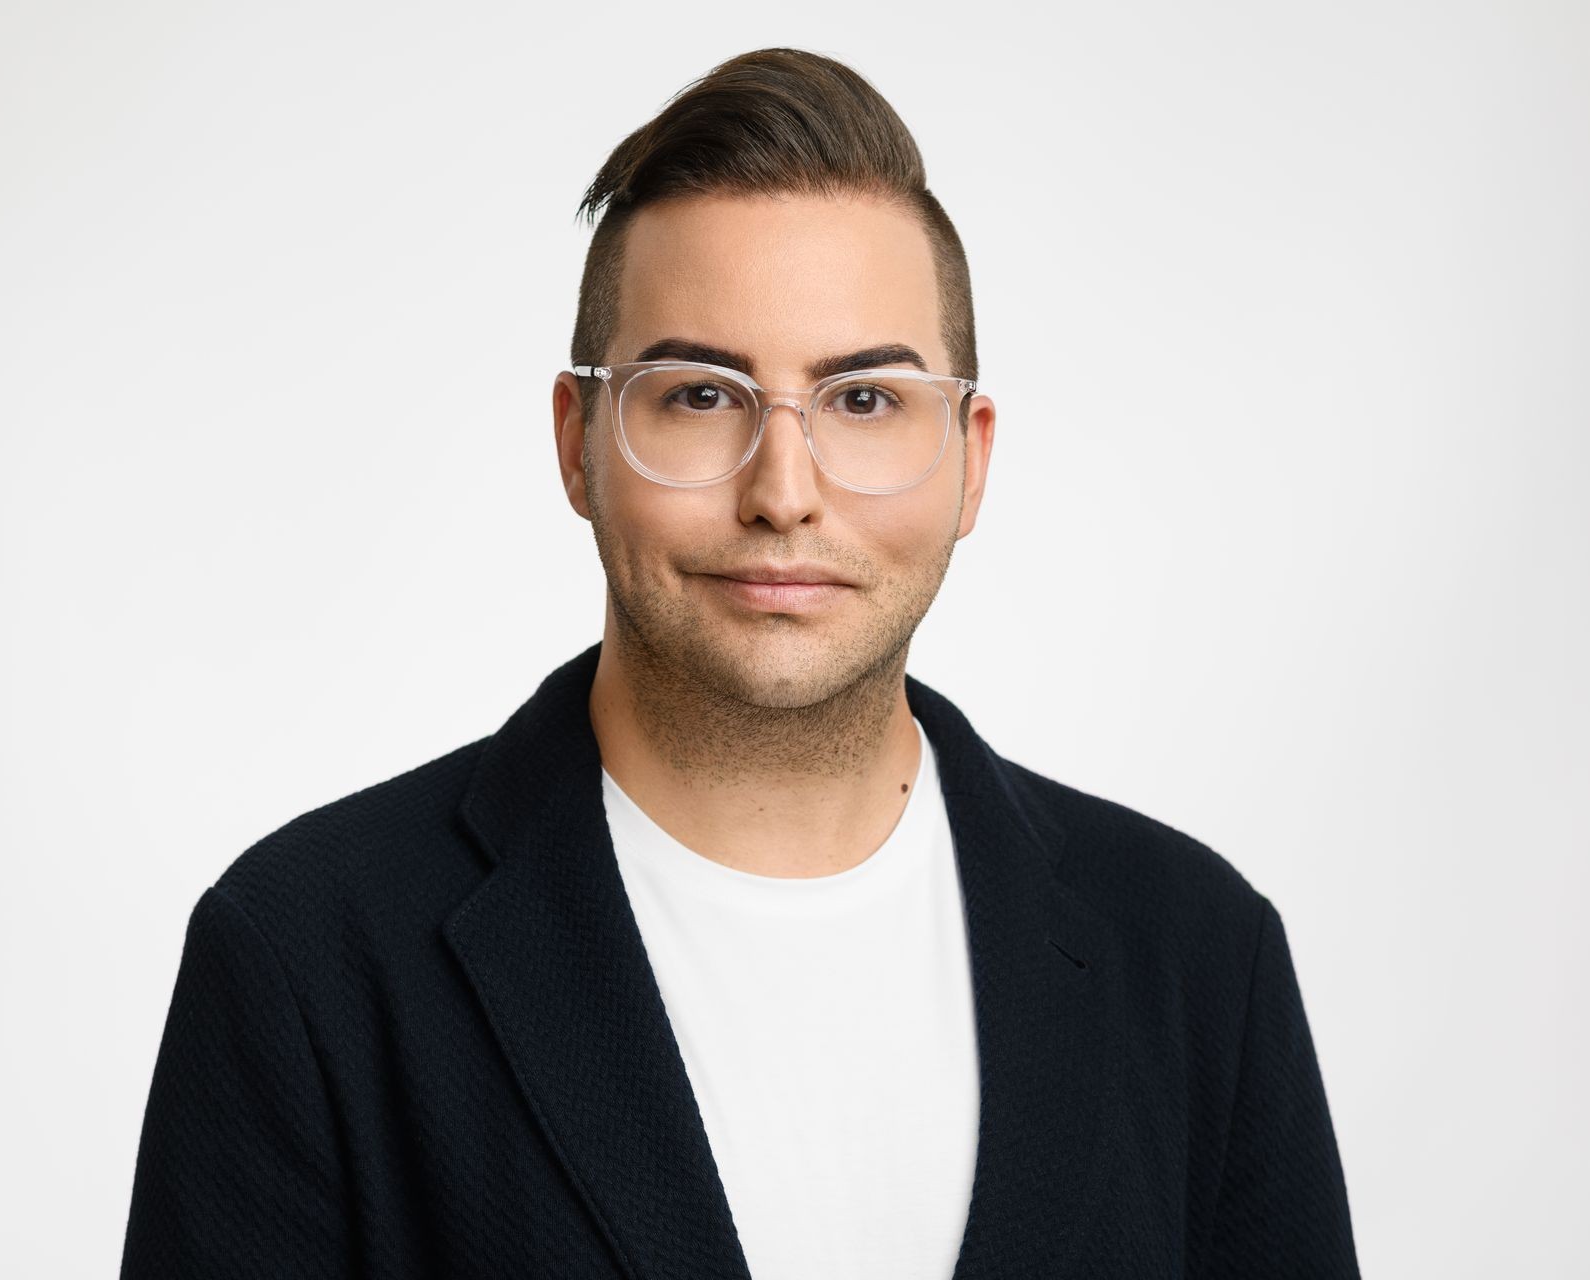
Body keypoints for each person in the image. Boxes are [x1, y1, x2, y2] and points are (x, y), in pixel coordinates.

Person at [120, 47, 1360, 1280]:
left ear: (971, 458)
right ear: (578, 441)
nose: (782, 492)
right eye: (701, 396)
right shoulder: (305, 958)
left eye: (864, 401)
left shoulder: (1199, 957)